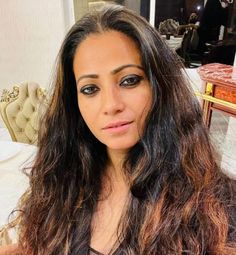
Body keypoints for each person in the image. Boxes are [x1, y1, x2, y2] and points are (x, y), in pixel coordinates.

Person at [0, 4, 236, 255]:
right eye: (90, 89)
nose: (111, 105)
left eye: (129, 80)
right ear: (74, 102)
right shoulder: (62, 180)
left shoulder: (216, 203)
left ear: (160, 86)